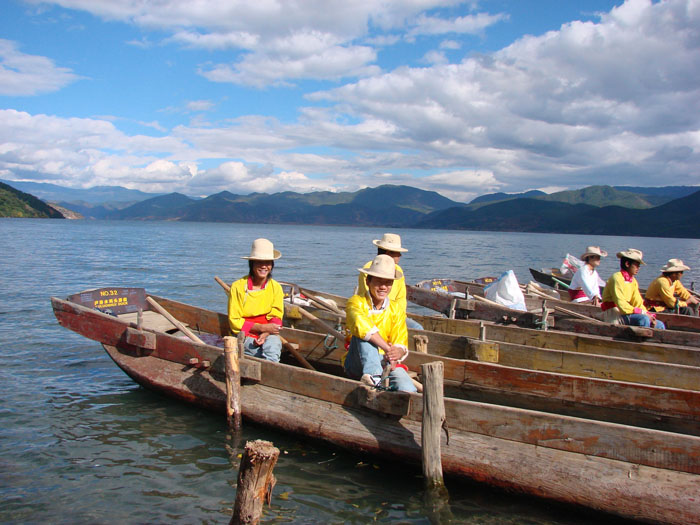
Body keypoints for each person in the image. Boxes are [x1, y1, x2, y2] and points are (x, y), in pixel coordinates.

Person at [345, 254, 417, 392]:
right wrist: (386, 347)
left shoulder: (396, 309)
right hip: (357, 361)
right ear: (368, 282)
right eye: (378, 281)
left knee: (408, 389)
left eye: (388, 282)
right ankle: (375, 379)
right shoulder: (355, 302)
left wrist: (397, 352)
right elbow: (361, 325)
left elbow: (400, 340)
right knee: (365, 336)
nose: (383, 287)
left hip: (386, 361)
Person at [228, 238, 284, 361]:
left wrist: (266, 333)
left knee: (273, 347)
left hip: (268, 332)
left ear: (272, 265)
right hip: (244, 333)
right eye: (259, 262)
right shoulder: (238, 287)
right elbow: (234, 321)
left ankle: (270, 375)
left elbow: (277, 315)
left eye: (268, 262)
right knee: (256, 352)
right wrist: (261, 328)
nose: (264, 266)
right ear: (252, 264)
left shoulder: (276, 287)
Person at [357, 233, 423, 330]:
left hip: (395, 315)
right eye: (397, 253)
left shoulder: (398, 271)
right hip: (372, 316)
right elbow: (370, 299)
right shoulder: (370, 269)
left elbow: (401, 299)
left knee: (418, 328)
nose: (400, 255)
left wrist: (398, 317)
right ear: (389, 253)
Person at [600, 249, 665, 329]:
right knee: (643, 319)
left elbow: (638, 302)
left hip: (627, 312)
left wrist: (648, 314)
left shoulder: (633, 281)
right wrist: (642, 313)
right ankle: (640, 340)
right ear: (627, 264)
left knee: (660, 324)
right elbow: (621, 305)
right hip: (615, 313)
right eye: (636, 265)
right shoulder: (616, 278)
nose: (638, 268)